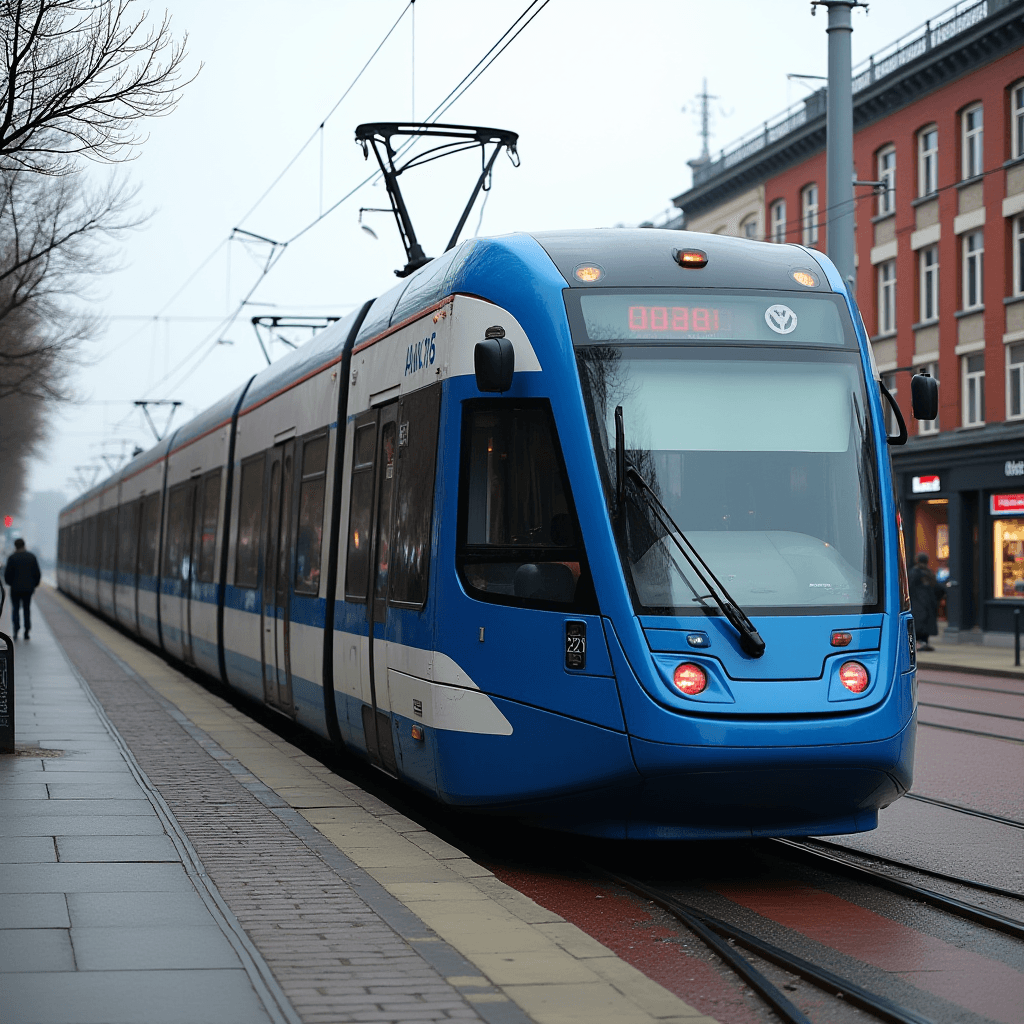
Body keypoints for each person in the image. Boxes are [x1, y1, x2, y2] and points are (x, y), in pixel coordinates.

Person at [4, 538, 41, 640]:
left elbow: (7, 575)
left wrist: (11, 583)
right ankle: (27, 631)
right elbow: (37, 574)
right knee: (27, 609)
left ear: (15, 546)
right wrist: (34, 585)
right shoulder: (31, 557)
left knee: (15, 609)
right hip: (28, 589)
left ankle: (16, 630)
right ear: (24, 545)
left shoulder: (12, 558)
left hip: (15, 589)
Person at [908, 551, 944, 652]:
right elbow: (939, 589)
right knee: (925, 625)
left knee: (917, 625)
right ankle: (924, 643)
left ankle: (918, 644)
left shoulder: (914, 572)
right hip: (929, 604)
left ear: (917, 560)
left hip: (917, 603)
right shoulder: (930, 573)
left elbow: (908, 588)